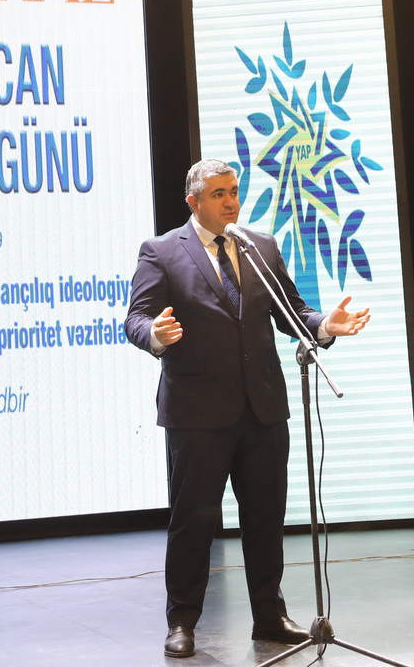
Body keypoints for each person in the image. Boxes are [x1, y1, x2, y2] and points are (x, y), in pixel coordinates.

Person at [125, 159, 371, 658]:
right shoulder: (162, 251)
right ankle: (181, 622)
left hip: (262, 409)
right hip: (197, 413)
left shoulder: (260, 247)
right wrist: (155, 335)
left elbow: (293, 313)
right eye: (218, 193)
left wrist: (326, 326)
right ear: (194, 201)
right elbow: (137, 318)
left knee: (264, 517)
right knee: (193, 520)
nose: (231, 201)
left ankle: (270, 617)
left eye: (234, 191)